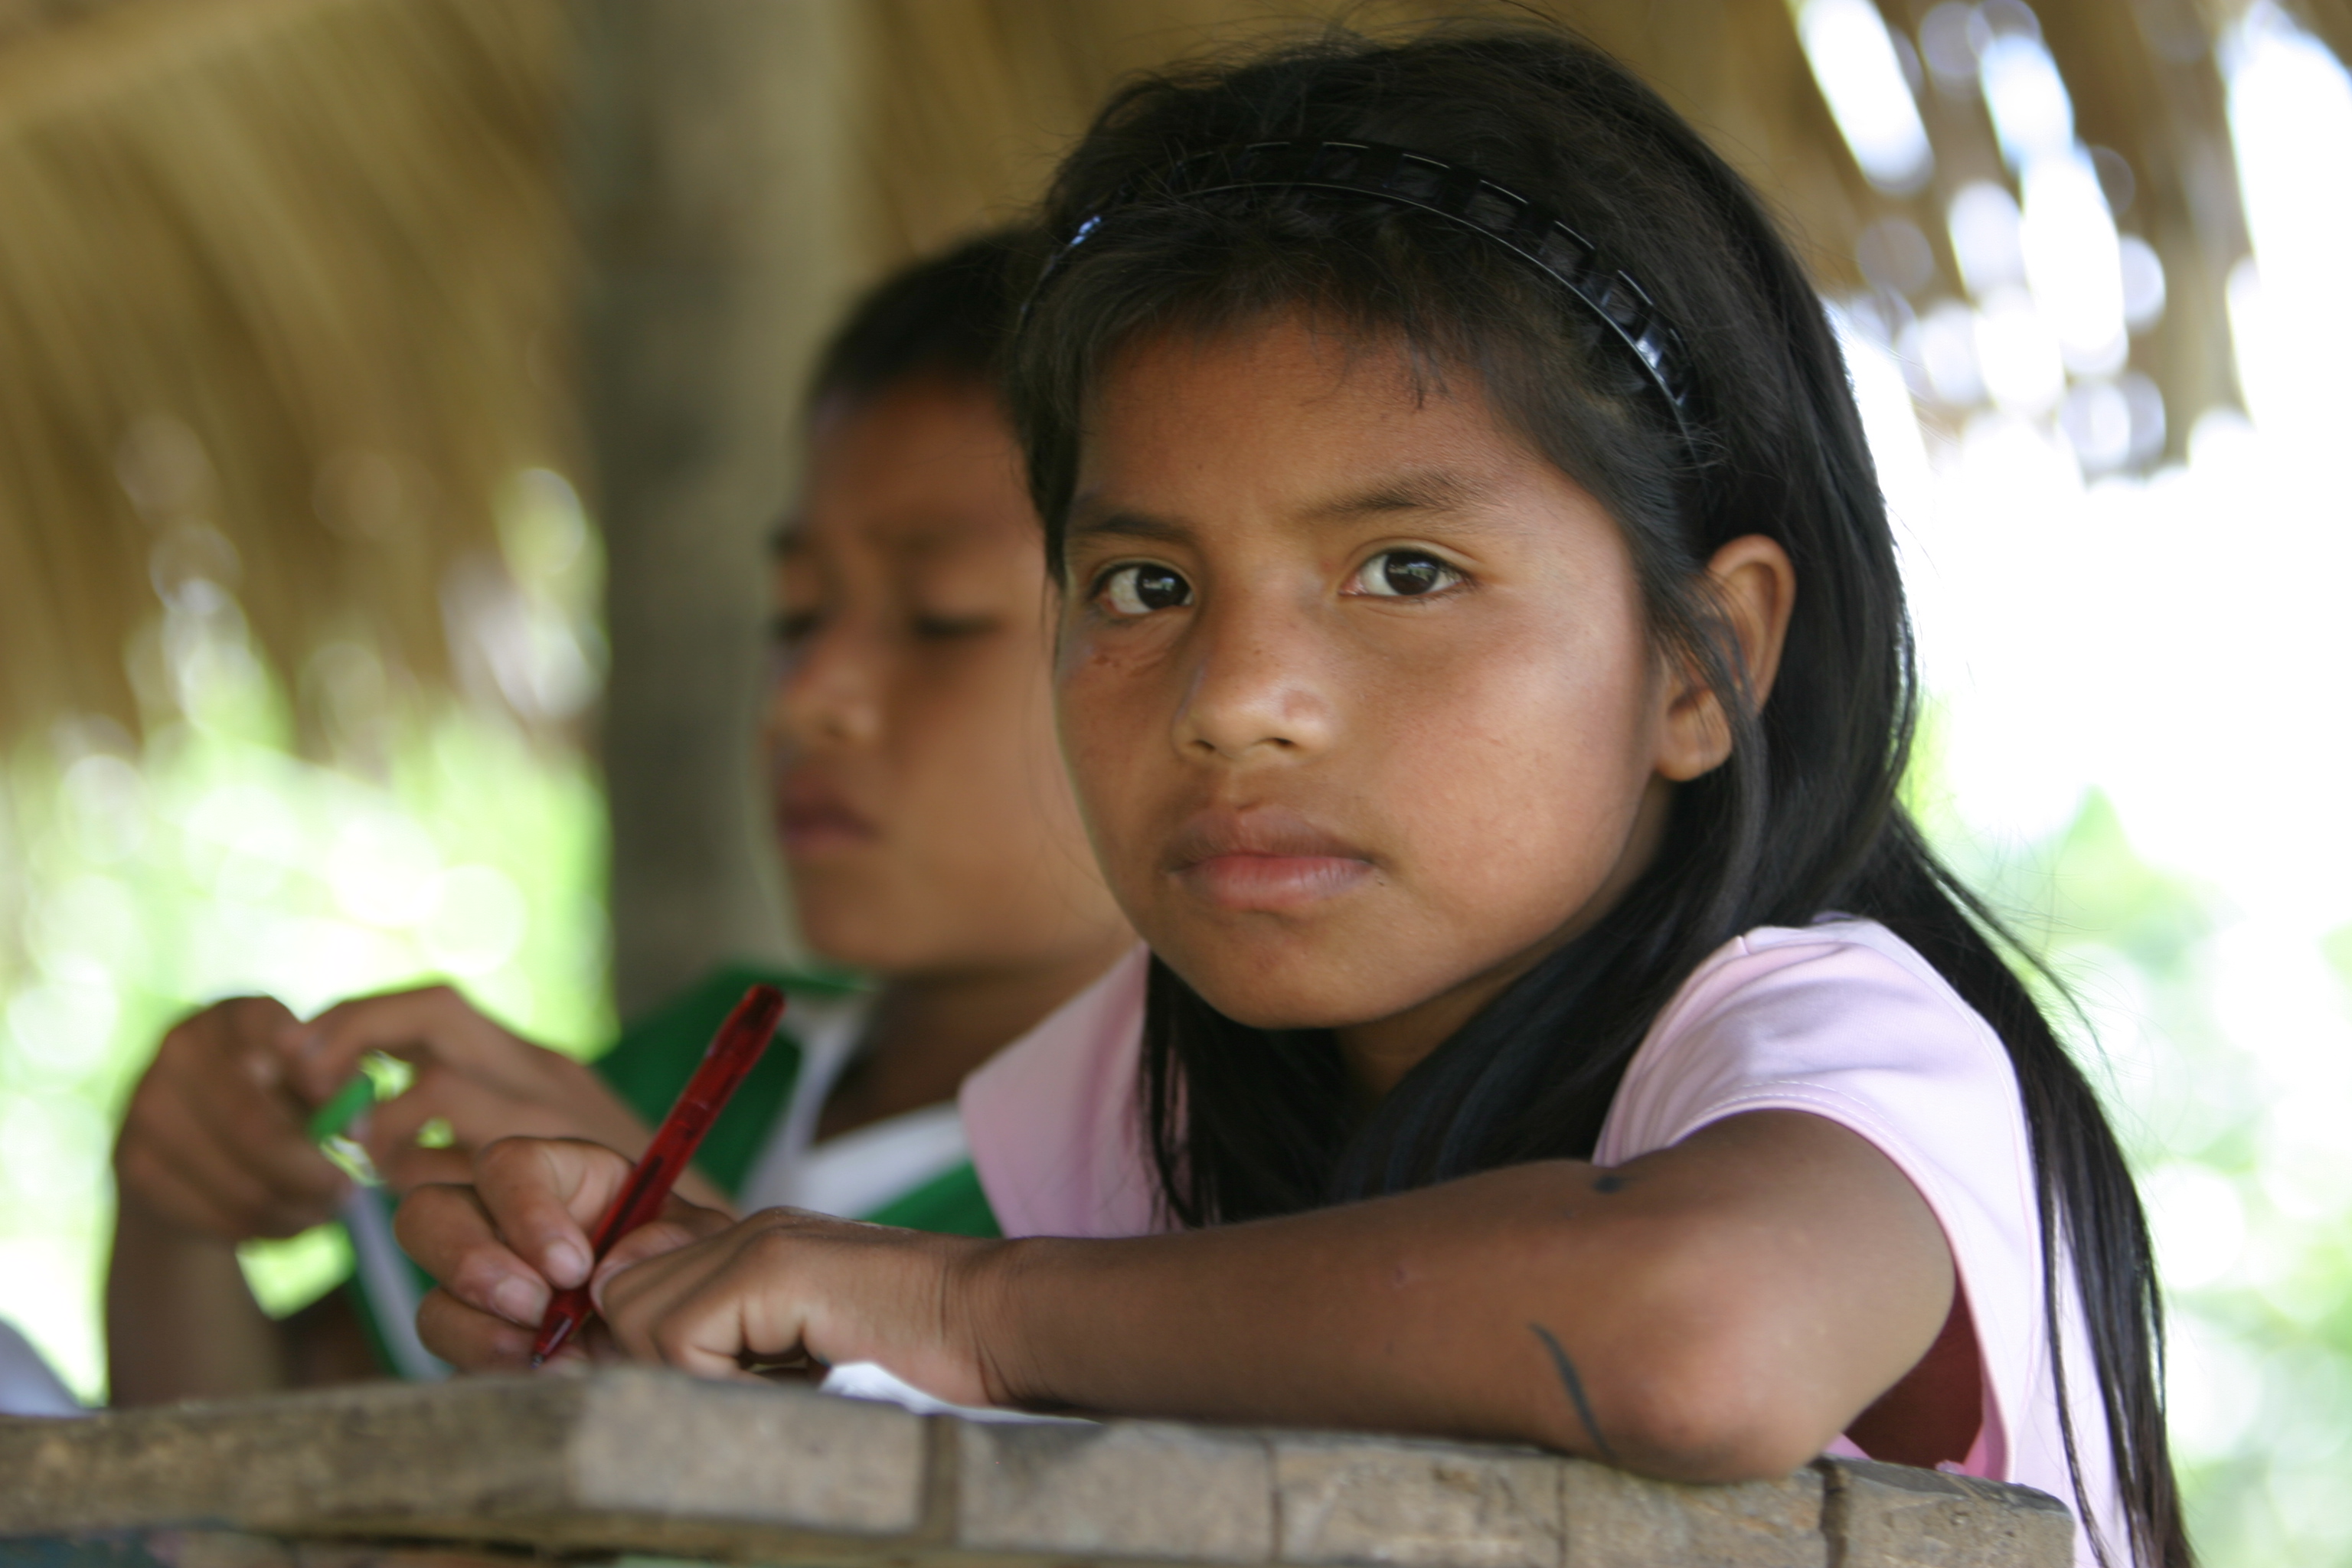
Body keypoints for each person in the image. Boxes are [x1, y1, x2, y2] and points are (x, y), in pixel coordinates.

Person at [397, 27, 2187, 1568]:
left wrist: (953, 1310)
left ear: (1695, 663)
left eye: (1405, 572)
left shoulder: (1819, 1039)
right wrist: (721, 1320)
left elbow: (1699, 1338)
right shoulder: (1132, 1093)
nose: (1235, 703)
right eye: (1144, 589)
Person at [105, 230, 1135, 1403]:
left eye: (941, 619)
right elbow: (249, 1453)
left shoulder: (1198, 1168)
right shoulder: (718, 1052)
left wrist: (695, 1243)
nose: (806, 699)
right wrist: (178, 1208)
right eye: (797, 615)